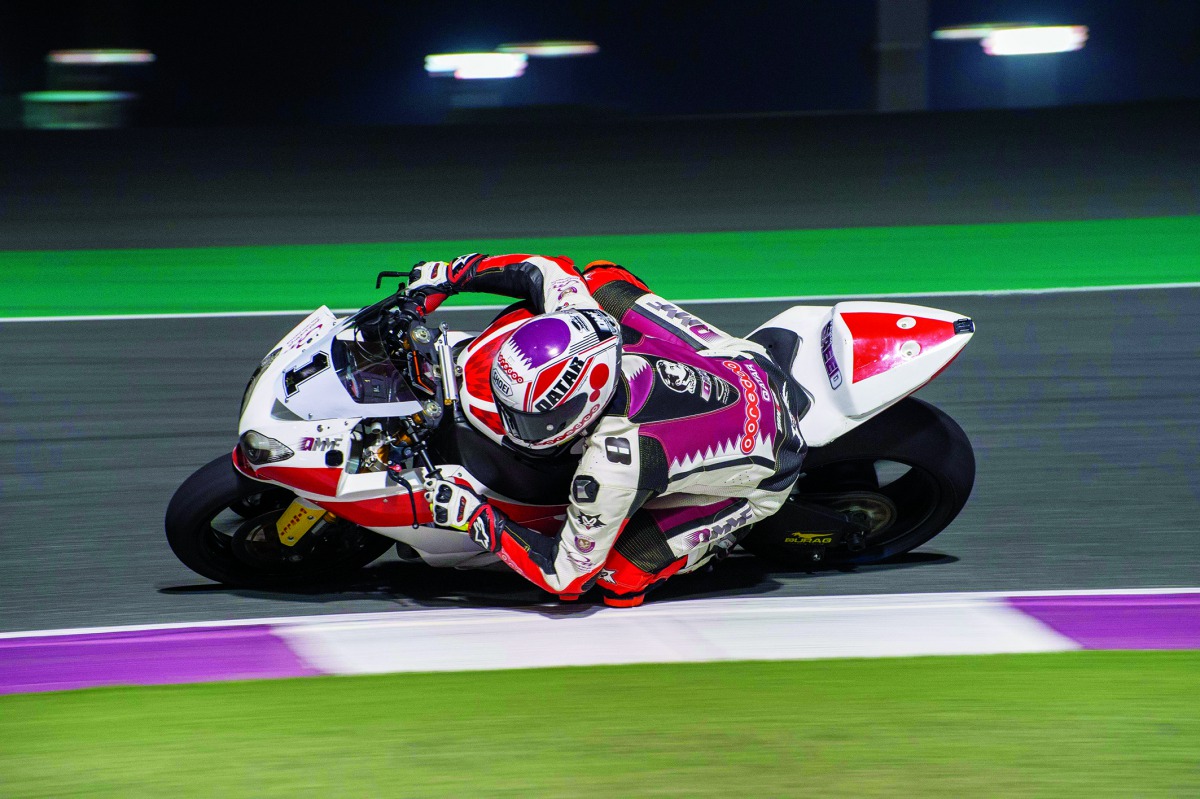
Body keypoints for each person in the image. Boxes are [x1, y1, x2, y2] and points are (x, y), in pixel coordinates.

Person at [407, 253, 806, 607]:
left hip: (772, 462)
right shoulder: (581, 319)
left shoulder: (612, 468)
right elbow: (545, 269)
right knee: (599, 277)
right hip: (741, 362)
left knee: (617, 583)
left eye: (533, 421)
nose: (517, 429)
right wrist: (451, 275)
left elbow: (567, 580)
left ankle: (719, 538)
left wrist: (478, 519)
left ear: (588, 400)